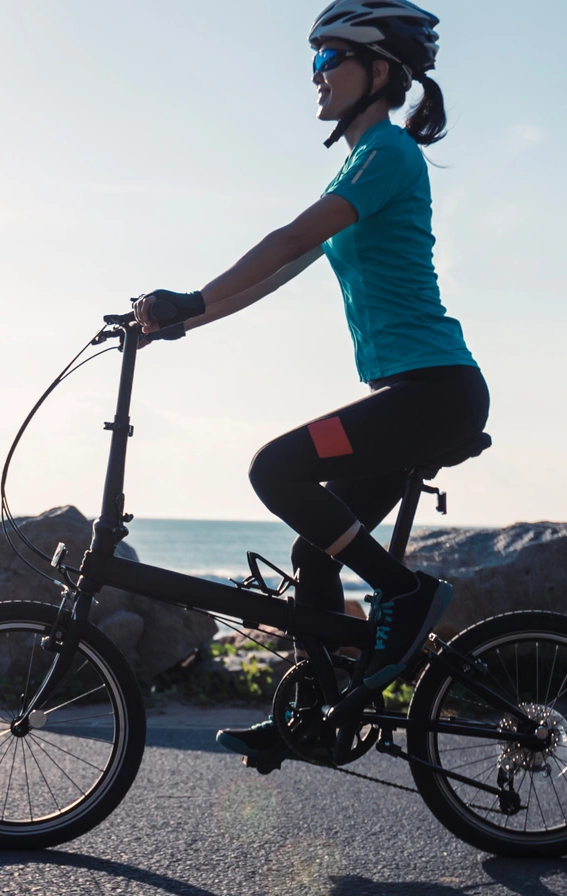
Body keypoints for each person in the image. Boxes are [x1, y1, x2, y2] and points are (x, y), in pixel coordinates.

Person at [131, 0, 489, 772]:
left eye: (329, 60)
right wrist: (184, 321)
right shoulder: (361, 165)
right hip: (414, 397)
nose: (315, 76)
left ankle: (406, 594)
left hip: (432, 394)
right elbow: (280, 272)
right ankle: (316, 716)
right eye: (314, 62)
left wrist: (188, 299)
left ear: (380, 72)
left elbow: (290, 236)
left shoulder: (387, 155)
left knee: (275, 468)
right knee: (315, 547)